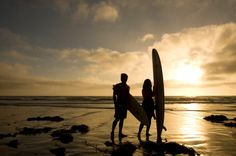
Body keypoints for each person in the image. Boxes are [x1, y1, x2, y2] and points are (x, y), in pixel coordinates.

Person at [111, 73, 130, 143]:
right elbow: (114, 95)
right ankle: (112, 131)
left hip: (124, 105)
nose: (124, 79)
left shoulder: (128, 87)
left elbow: (128, 97)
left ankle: (120, 133)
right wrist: (115, 104)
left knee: (122, 120)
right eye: (123, 77)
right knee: (117, 119)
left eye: (125, 78)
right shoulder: (117, 86)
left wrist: (128, 106)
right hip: (119, 105)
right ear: (121, 78)